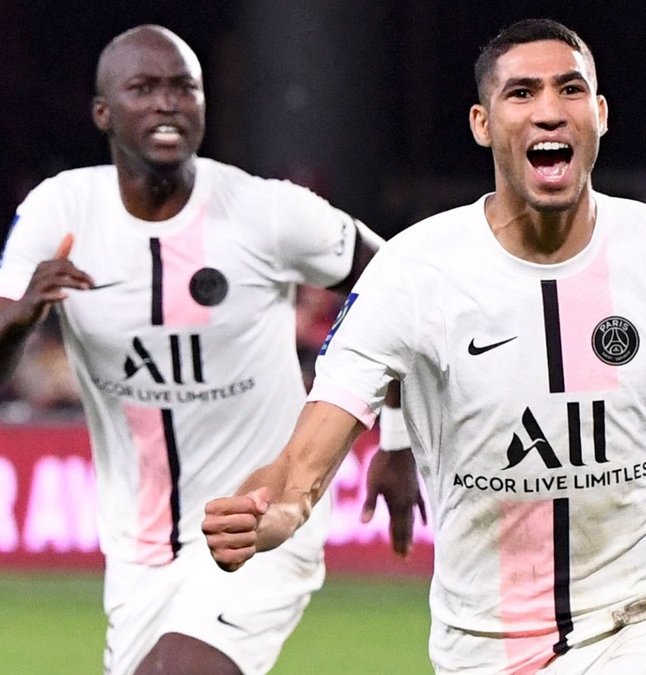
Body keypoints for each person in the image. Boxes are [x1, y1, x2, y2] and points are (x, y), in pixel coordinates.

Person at [202, 18, 646, 674]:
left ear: (599, 115)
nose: (549, 109)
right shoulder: (412, 273)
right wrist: (263, 518)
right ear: (482, 123)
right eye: (521, 93)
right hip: (481, 642)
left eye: (570, 89)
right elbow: (299, 473)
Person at [0, 25, 419, 675]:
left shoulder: (265, 212)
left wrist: (398, 435)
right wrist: (21, 317)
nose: (167, 102)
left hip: (257, 519)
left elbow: (400, 285)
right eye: (144, 88)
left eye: (183, 88)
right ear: (103, 112)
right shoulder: (61, 212)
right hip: (138, 548)